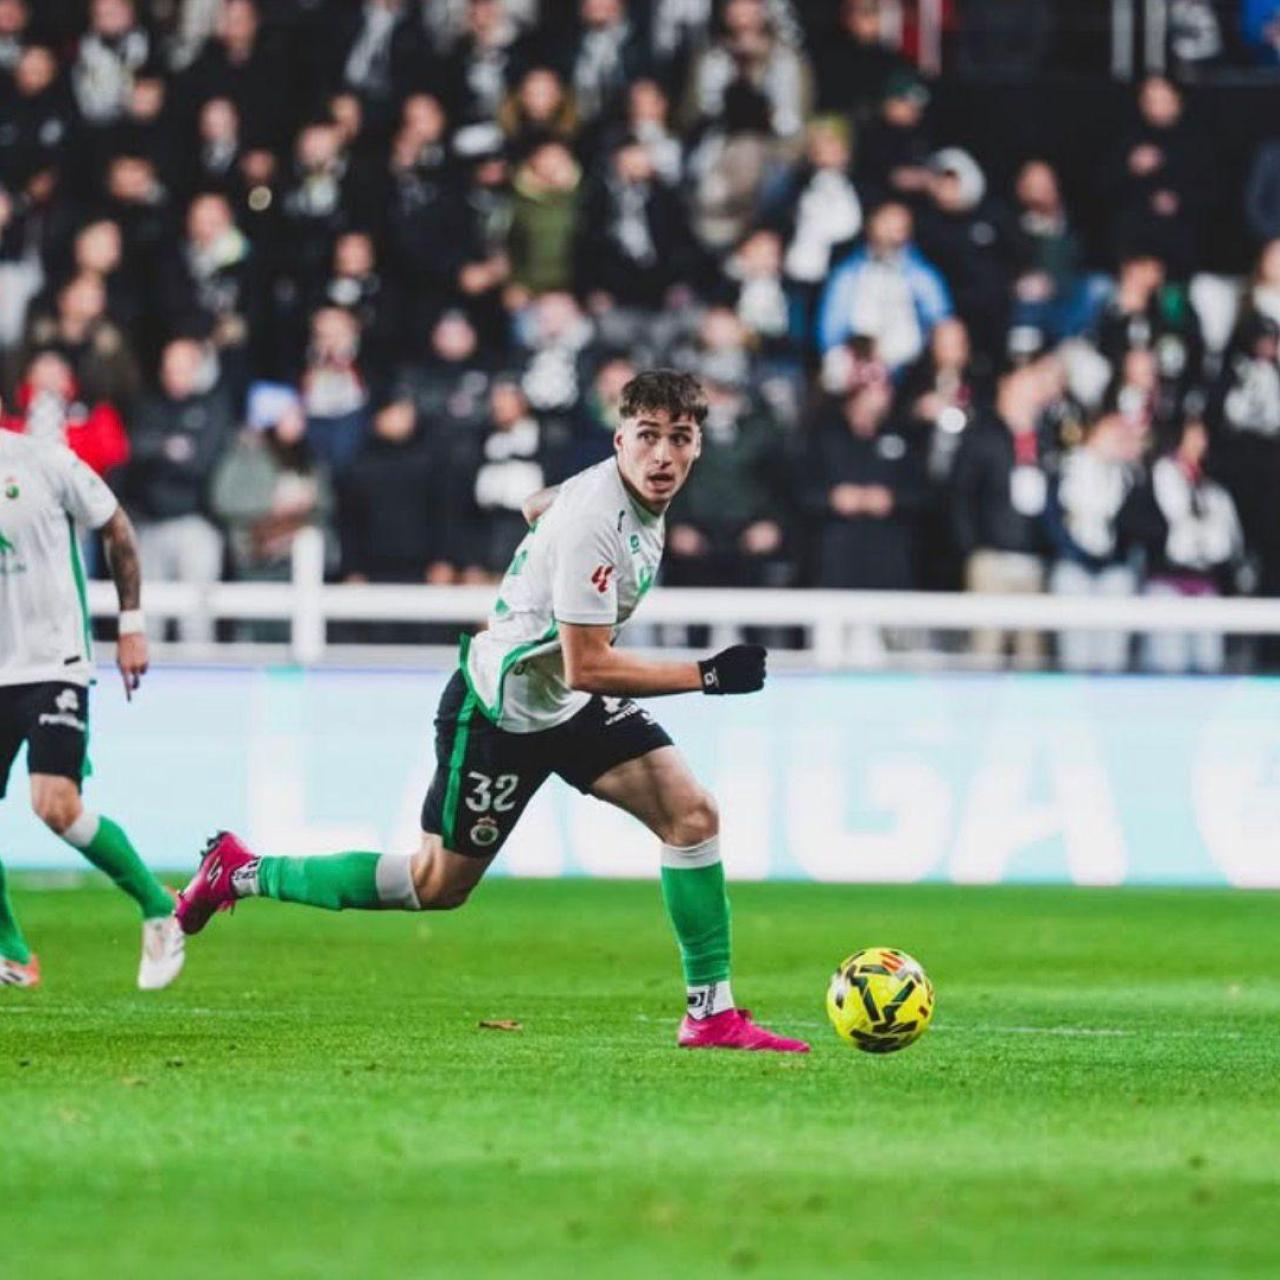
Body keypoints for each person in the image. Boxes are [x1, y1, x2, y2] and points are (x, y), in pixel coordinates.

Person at [176, 369, 808, 1054]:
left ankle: (710, 1013)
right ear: (620, 438)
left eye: (678, 439)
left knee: (692, 816)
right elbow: (587, 663)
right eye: (648, 437)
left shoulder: (611, 494)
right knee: (434, 885)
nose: (662, 455)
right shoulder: (598, 520)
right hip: (501, 710)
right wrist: (709, 675)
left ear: (697, 447)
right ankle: (240, 870)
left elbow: (538, 506)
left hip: (567, 703)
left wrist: (547, 542)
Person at [0, 429, 185, 990]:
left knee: (55, 805)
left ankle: (159, 907)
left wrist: (130, 625)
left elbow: (117, 528)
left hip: (55, 661)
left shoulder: (44, 461)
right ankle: (13, 954)